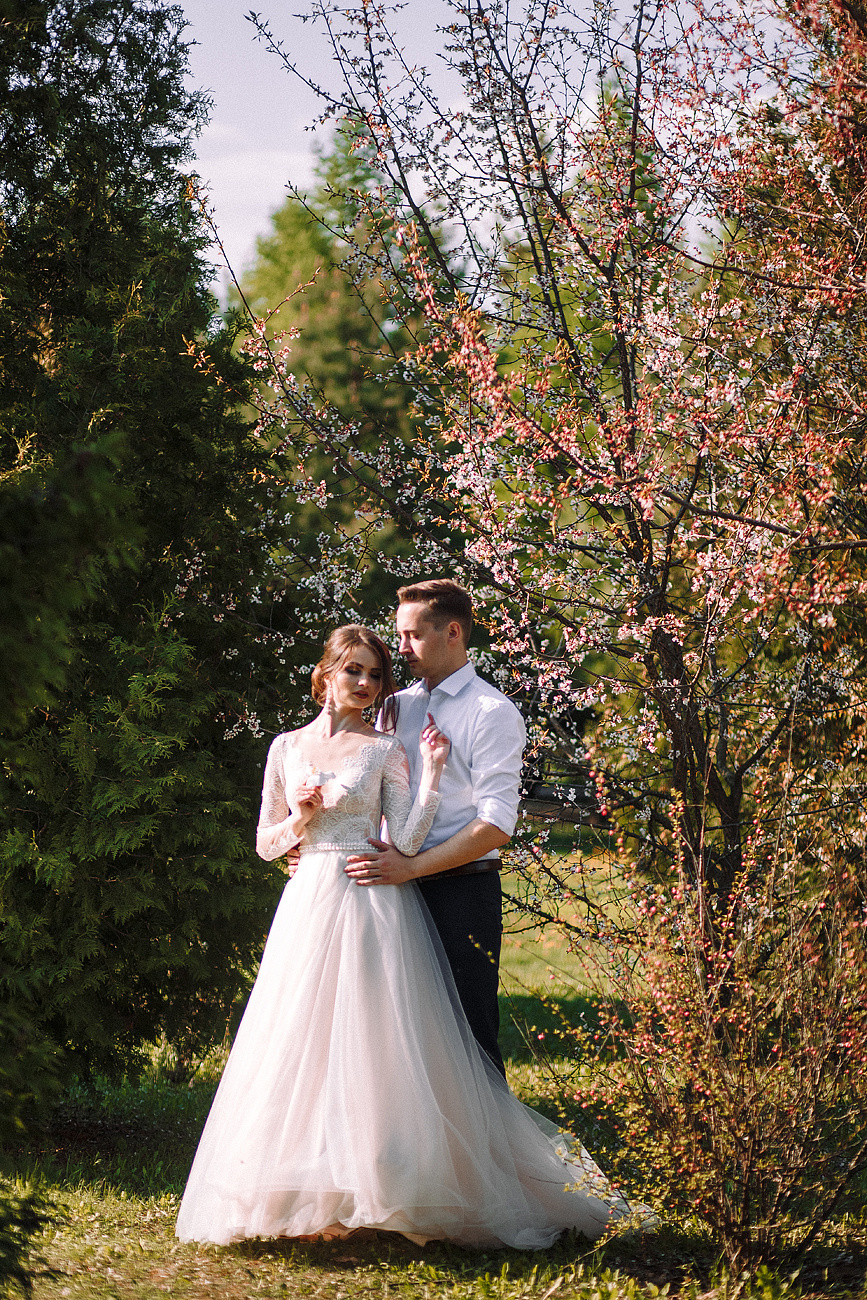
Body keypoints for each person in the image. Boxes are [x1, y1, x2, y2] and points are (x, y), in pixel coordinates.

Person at [175, 624, 630, 1249]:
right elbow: (265, 844)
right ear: (326, 673)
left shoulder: (385, 747)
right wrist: (302, 819)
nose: (365, 683)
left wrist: (433, 773)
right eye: (353, 670)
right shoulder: (286, 747)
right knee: (302, 1032)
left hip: (372, 899)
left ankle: (385, 1182)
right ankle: (306, 1189)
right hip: (307, 902)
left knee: (373, 1037)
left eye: (375, 674)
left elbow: (409, 838)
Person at [345, 580, 524, 1077]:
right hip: (389, 892)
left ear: (452, 632)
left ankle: (485, 1132)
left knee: (470, 1040)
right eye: (399, 635)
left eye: (413, 636)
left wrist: (413, 867)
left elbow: (496, 824)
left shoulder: (491, 713)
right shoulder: (392, 707)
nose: (401, 648)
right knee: (393, 1037)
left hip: (460, 894)